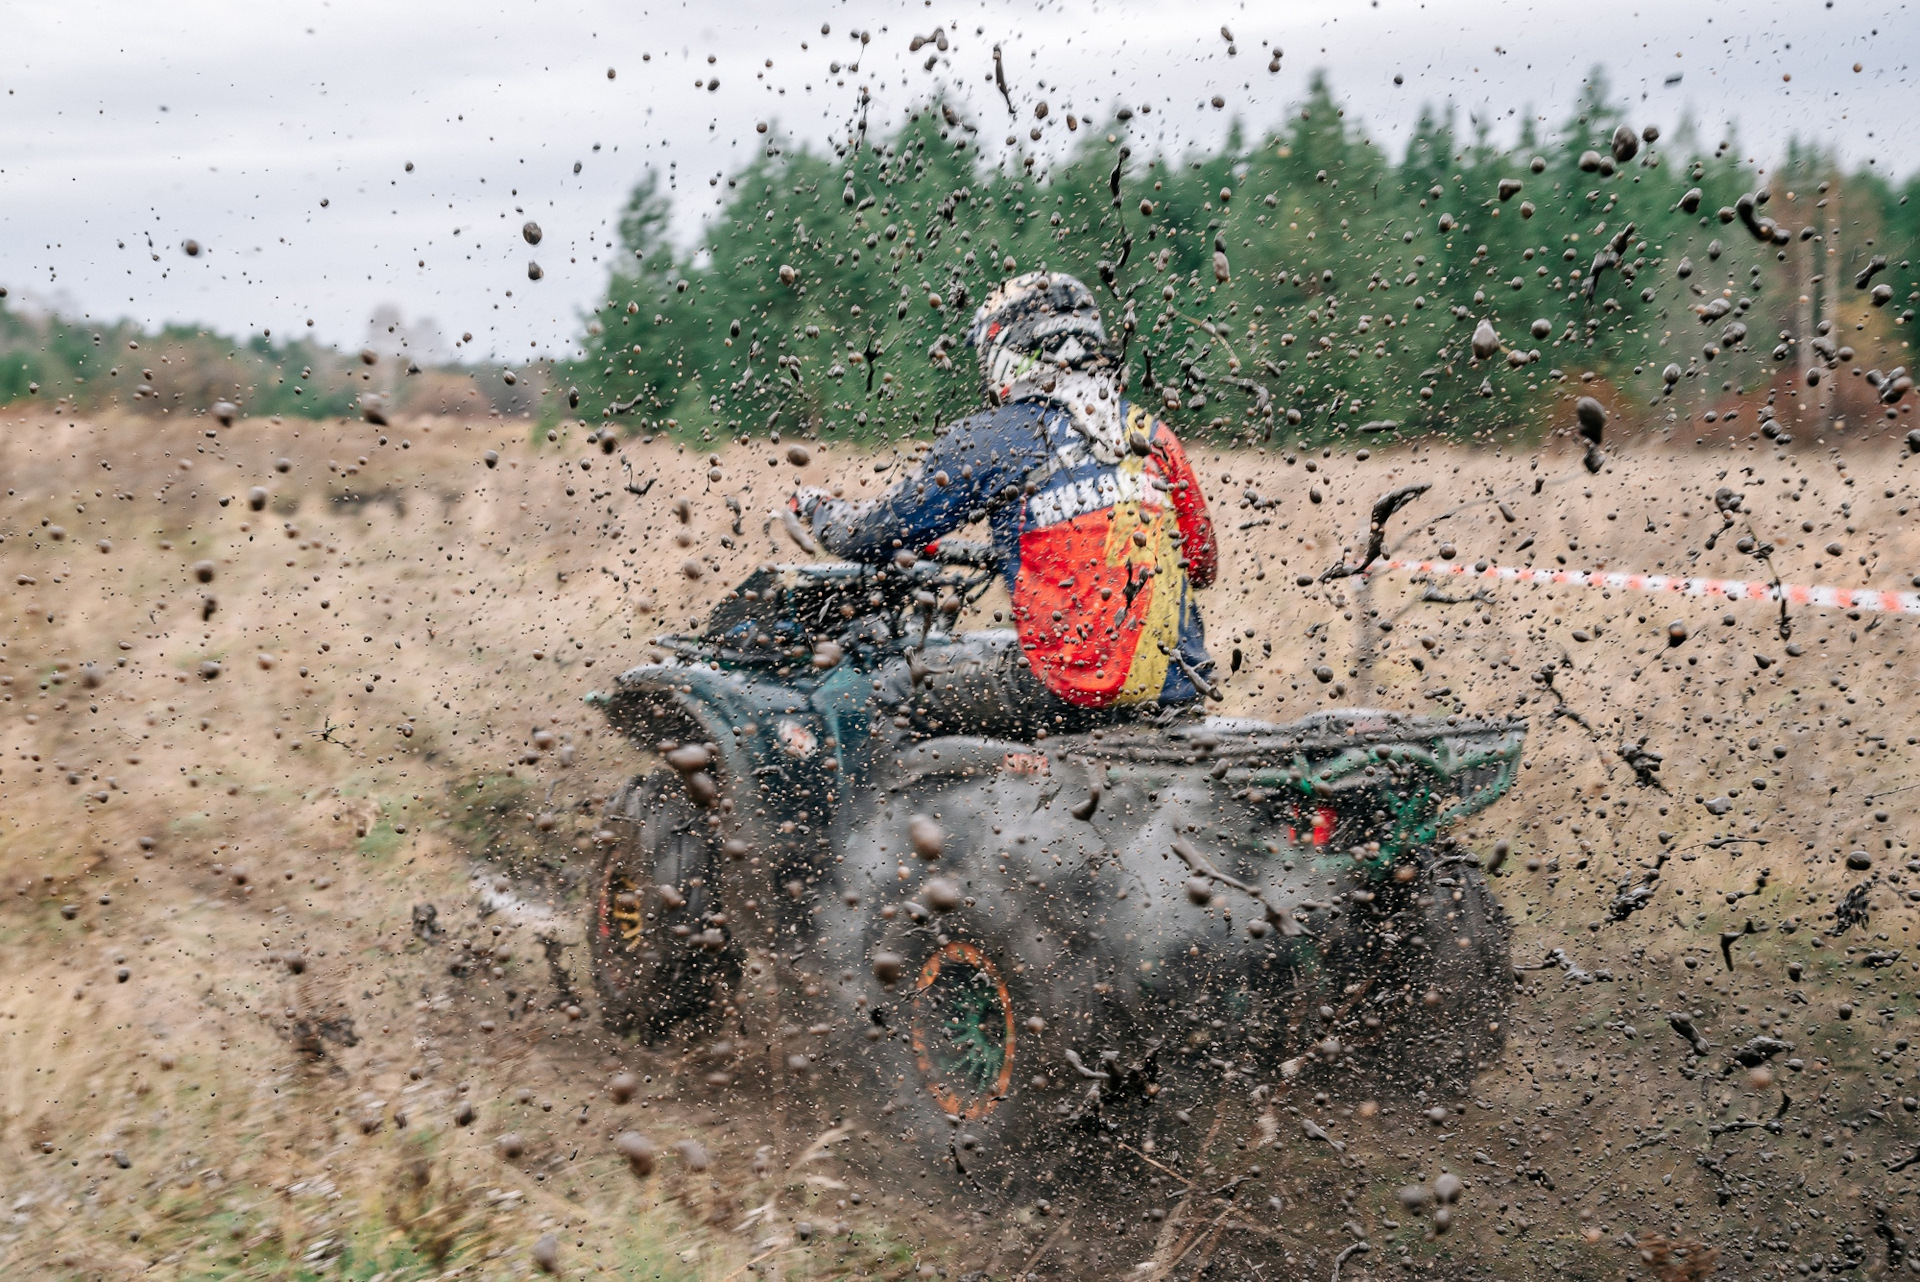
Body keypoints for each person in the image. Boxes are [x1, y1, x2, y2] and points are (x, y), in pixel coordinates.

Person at [797, 271, 1218, 741]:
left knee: (893, 690)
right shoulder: (1152, 432)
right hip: (1179, 689)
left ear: (1006, 350)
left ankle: (887, 817)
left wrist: (817, 508)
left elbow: (871, 532)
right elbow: (1201, 566)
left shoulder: (994, 436)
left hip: (1073, 692)